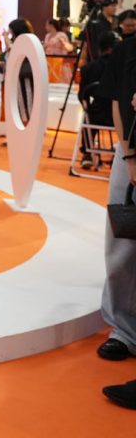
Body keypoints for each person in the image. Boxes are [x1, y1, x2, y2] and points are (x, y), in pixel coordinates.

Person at [96, 21, 136, 376]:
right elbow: (118, 104)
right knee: (122, 243)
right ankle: (123, 330)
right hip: (129, 155)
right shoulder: (127, 49)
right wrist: (129, 156)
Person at [77, 30, 116, 172]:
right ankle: (121, 154)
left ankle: (87, 153)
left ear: (99, 48)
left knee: (88, 117)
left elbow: (82, 95)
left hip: (96, 115)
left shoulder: (88, 69)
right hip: (119, 117)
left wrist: (87, 107)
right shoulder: (123, 68)